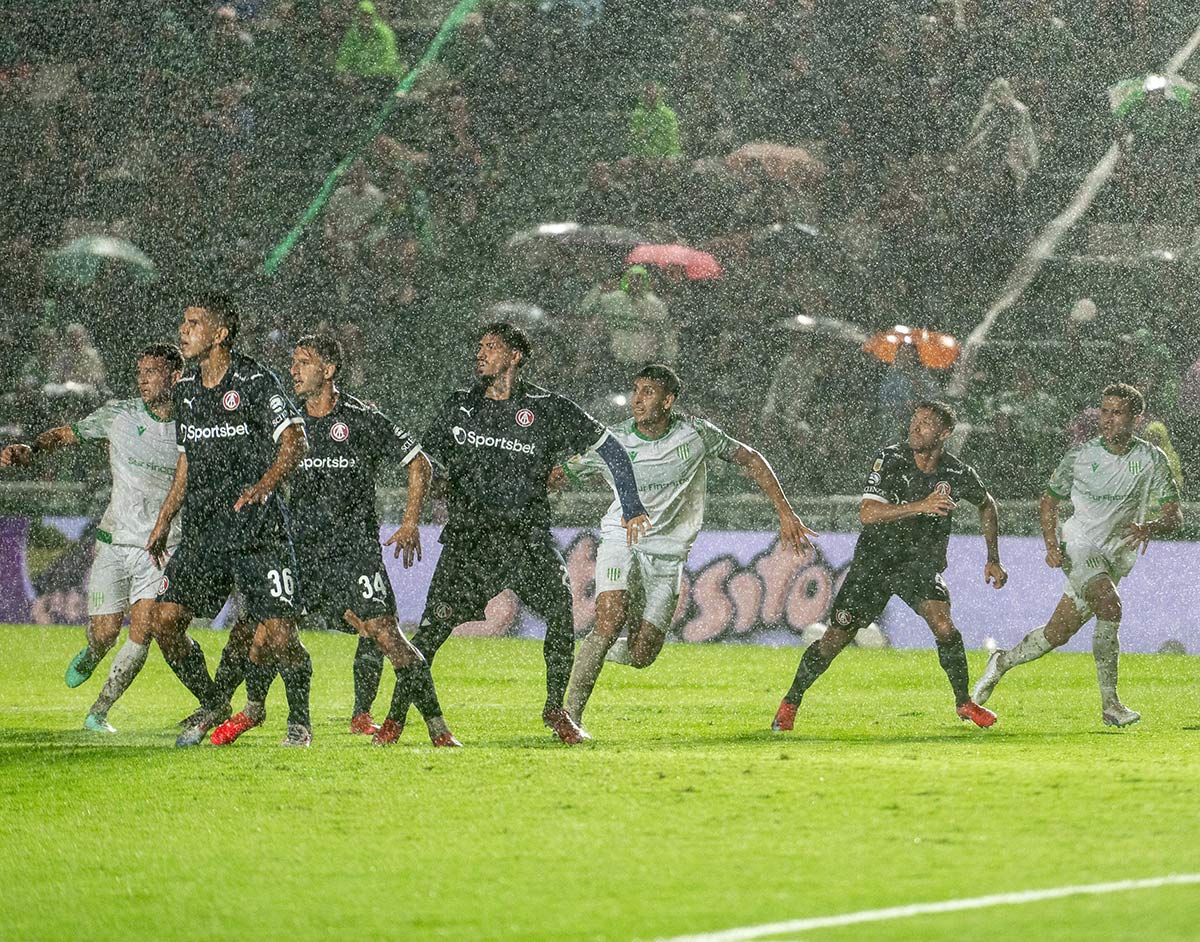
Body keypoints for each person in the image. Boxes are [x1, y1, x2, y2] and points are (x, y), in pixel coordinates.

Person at [384, 322, 651, 746]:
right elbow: (424, 464)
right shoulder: (459, 407)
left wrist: (633, 506)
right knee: (431, 634)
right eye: (479, 346)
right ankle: (393, 721)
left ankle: (555, 710)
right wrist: (417, 513)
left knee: (561, 614)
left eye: (491, 347)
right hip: (470, 540)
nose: (480, 353)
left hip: (527, 539)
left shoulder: (547, 409)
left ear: (515, 357)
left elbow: (613, 449)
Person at [208, 332, 459, 747]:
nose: (293, 370)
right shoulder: (288, 423)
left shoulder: (362, 418)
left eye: (303, 362)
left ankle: (438, 728)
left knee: (386, 636)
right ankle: (254, 710)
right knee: (261, 636)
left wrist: (410, 521)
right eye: (292, 363)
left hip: (353, 552)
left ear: (328, 370)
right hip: (298, 552)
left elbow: (420, 464)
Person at [557, 364, 818, 729]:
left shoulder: (695, 434)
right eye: (636, 390)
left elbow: (751, 459)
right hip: (622, 539)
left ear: (669, 400)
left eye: (649, 391)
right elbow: (560, 475)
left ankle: (592, 650)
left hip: (667, 555)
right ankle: (570, 717)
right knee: (611, 617)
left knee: (642, 654)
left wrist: (785, 512)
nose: (638, 399)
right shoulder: (613, 440)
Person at [772, 401, 1006, 732]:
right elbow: (867, 513)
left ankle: (964, 703)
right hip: (875, 564)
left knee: (944, 627)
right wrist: (921, 506)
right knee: (834, 639)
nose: (916, 426)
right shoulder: (891, 459)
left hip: (917, 566)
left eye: (926, 423)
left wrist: (992, 558)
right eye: (915, 420)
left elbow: (987, 504)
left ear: (944, 433)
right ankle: (790, 703)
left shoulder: (956, 473)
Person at [145, 293, 313, 747]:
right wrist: (164, 519)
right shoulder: (185, 389)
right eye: (184, 321)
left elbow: (294, 441)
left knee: (278, 636)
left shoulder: (255, 380)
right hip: (204, 531)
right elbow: (187, 460)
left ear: (219, 335)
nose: (183, 330)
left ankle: (299, 721)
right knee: (164, 622)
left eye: (194, 322)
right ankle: (214, 701)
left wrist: (264, 485)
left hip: (258, 532)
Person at [972, 383, 1182, 726]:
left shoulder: (1151, 460)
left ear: (1136, 418)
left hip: (1113, 557)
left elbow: (1175, 516)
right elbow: (1049, 501)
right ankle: (1111, 705)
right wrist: (1052, 545)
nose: (1108, 419)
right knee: (1110, 604)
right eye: (1104, 411)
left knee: (1057, 633)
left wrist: (1151, 527)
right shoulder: (1081, 456)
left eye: (1117, 412)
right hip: (1078, 545)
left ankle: (1001, 661)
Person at [1, 345, 182, 732]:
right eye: (140, 371)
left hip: (161, 546)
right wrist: (31, 449)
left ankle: (99, 712)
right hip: (115, 541)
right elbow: (67, 435)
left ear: (175, 377)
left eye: (152, 371)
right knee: (104, 633)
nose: (143, 378)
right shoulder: (120, 414)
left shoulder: (193, 423)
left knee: (143, 631)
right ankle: (94, 650)